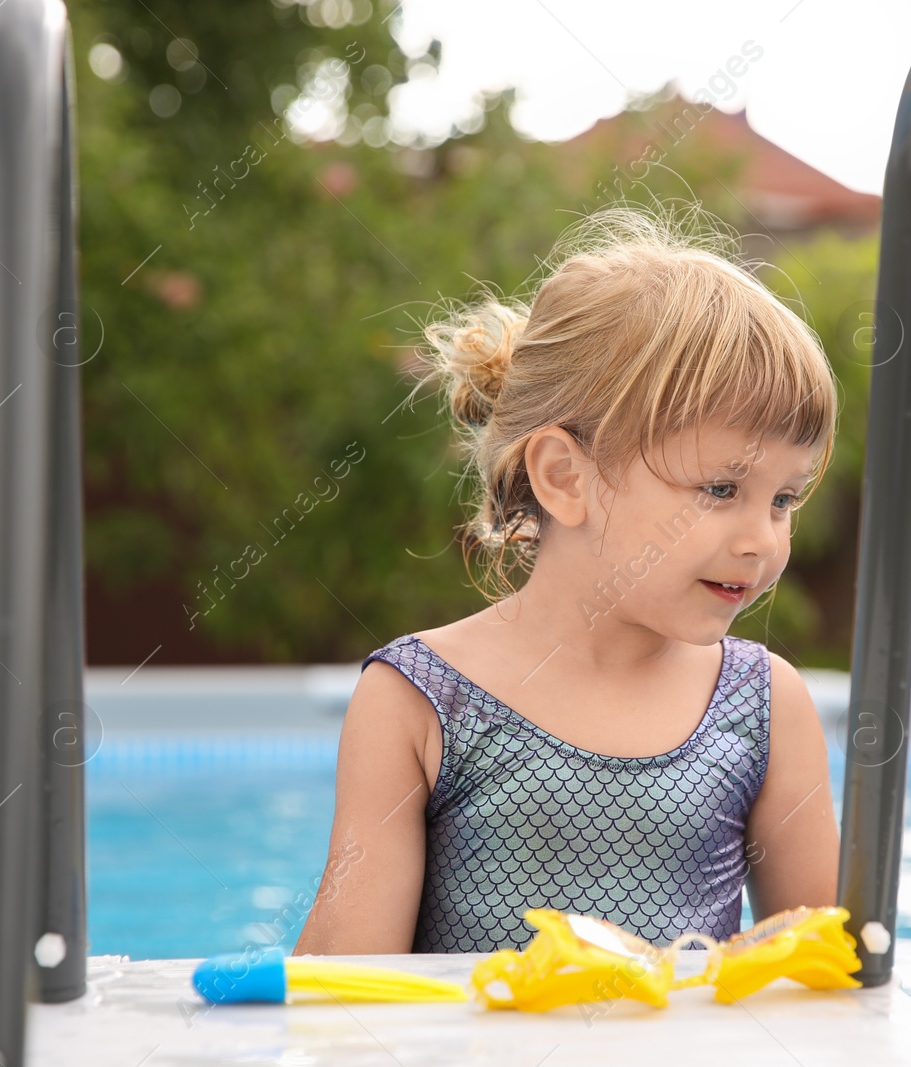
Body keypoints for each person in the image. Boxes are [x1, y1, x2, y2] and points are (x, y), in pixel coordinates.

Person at [295, 208, 841, 954]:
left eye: (784, 499)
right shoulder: (422, 698)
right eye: (720, 489)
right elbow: (346, 991)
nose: (762, 541)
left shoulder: (765, 707)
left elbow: (822, 978)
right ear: (564, 477)